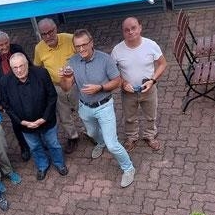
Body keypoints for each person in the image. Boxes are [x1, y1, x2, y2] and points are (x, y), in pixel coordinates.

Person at [60, 29, 136, 188]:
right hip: (84, 107)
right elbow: (66, 88)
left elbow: (117, 81)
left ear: (91, 43)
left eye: (84, 45)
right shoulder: (72, 61)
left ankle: (128, 168)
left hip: (104, 106)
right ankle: (100, 143)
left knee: (112, 144)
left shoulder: (105, 59)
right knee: (92, 133)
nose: (81, 49)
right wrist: (65, 78)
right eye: (77, 46)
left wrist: (100, 87)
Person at [0, 53, 68, 181]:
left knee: (53, 144)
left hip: (46, 121)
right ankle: (42, 165)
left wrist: (44, 118)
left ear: (27, 64)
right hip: (26, 126)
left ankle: (59, 163)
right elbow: (6, 105)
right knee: (35, 147)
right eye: (15, 68)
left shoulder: (41, 73)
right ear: (11, 68)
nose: (19, 70)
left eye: (21, 66)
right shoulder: (5, 81)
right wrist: (21, 122)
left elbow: (52, 96)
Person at [111, 17, 168, 151]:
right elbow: (112, 72)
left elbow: (163, 64)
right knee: (129, 118)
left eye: (133, 28)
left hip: (149, 89)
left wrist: (152, 80)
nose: (130, 32)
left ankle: (150, 135)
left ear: (140, 28)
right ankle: (132, 137)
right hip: (128, 92)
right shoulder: (117, 50)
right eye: (126, 30)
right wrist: (123, 83)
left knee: (151, 115)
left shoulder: (151, 45)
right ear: (123, 32)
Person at [0, 31, 31, 161]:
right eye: (1, 45)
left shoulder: (17, 49)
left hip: (25, 89)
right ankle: (24, 146)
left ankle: (38, 141)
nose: (4, 47)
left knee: (32, 114)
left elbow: (29, 66)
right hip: (9, 96)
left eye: (6, 43)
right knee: (17, 122)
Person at [34, 18, 81, 153]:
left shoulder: (70, 39)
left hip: (75, 84)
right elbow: (37, 68)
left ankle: (91, 132)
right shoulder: (39, 48)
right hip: (56, 87)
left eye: (51, 31)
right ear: (40, 35)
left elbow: (83, 56)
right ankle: (73, 137)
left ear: (56, 29)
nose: (48, 36)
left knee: (83, 110)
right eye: (44, 34)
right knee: (64, 114)